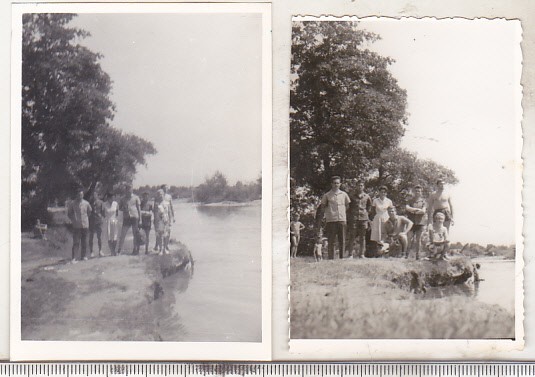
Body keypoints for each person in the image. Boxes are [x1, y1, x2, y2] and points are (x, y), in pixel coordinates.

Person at [319, 176, 351, 259]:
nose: (336, 185)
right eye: (334, 183)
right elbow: (323, 207)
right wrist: (327, 215)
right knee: (331, 240)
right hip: (331, 220)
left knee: (342, 240)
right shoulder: (327, 195)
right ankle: (331, 258)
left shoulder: (344, 194)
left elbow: (347, 206)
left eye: (338, 183)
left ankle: (342, 257)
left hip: (342, 219)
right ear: (331, 184)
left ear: (340, 184)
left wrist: (342, 213)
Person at [347, 180, 372, 259]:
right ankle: (350, 254)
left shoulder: (367, 196)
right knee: (352, 236)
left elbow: (369, 206)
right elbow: (348, 207)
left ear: (363, 187)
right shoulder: (351, 196)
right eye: (358, 185)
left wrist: (366, 213)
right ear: (356, 186)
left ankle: (361, 254)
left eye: (361, 185)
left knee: (363, 237)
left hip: (363, 219)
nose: (360, 187)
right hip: (354, 218)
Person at [67, 188, 92, 263]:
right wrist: (73, 220)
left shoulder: (86, 203)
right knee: (76, 242)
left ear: (83, 195)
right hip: (76, 225)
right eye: (78, 195)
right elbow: (69, 213)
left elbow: (89, 211)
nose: (80, 196)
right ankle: (74, 257)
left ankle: (83, 256)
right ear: (76, 195)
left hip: (85, 224)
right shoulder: (72, 203)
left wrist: (86, 218)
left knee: (84, 241)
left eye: (81, 194)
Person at [116, 184, 141, 255]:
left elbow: (139, 209)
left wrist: (140, 219)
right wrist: (123, 208)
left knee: (135, 234)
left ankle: (135, 249)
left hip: (134, 216)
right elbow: (119, 208)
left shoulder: (136, 197)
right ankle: (119, 250)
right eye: (127, 189)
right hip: (126, 217)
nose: (129, 191)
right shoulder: (123, 199)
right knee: (123, 234)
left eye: (130, 189)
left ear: (132, 189)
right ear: (125, 190)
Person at [405, 185, 427, 260]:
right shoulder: (410, 200)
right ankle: (406, 255)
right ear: (414, 192)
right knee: (409, 239)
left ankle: (418, 256)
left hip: (420, 222)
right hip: (411, 222)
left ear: (421, 192)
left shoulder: (423, 201)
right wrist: (417, 210)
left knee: (418, 240)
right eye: (416, 191)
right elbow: (407, 208)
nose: (417, 192)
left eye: (419, 191)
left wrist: (413, 210)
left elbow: (423, 211)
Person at [88, 191, 106, 258]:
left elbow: (103, 212)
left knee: (99, 237)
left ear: (97, 195)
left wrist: (102, 219)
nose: (94, 196)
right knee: (91, 237)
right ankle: (91, 252)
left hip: (99, 221)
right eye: (92, 195)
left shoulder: (101, 202)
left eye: (95, 195)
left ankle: (100, 251)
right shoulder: (89, 203)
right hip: (91, 221)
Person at [153, 189, 171, 254]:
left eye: (161, 194)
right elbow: (154, 213)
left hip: (166, 220)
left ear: (163, 195)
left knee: (166, 235)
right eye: (159, 195)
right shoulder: (156, 204)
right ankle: (160, 249)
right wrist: (155, 222)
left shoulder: (167, 203)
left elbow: (169, 212)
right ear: (157, 196)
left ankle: (165, 248)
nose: (160, 196)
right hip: (159, 221)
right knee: (159, 235)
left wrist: (170, 221)